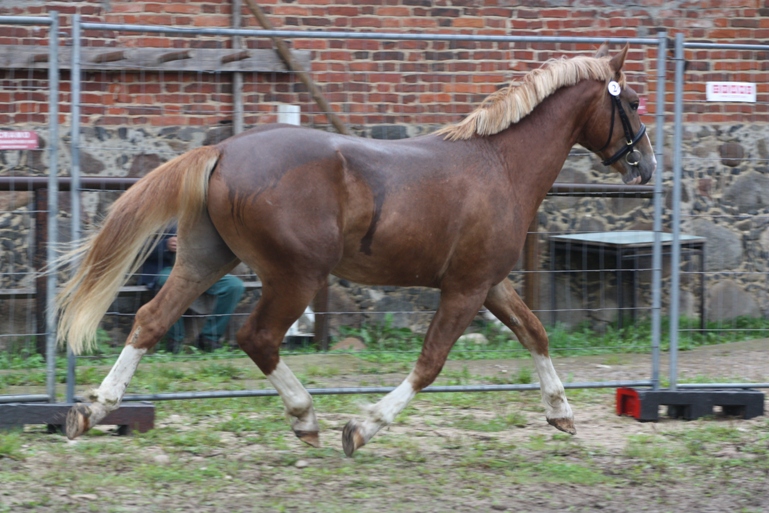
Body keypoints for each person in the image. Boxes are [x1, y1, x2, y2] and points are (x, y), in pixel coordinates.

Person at [138, 226, 245, 353]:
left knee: (233, 285)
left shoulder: (202, 212)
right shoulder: (149, 214)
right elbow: (135, 248)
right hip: (165, 270)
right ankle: (175, 340)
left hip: (197, 269)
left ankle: (209, 338)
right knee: (172, 283)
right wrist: (165, 245)